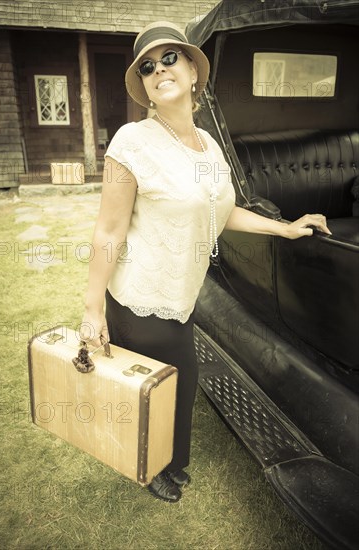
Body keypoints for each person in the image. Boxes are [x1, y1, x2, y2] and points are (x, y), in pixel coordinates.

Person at [80, 21, 331, 503]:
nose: (159, 70)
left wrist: (285, 227)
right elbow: (108, 231)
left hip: (182, 294)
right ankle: (152, 467)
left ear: (194, 70)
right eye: (148, 67)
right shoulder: (131, 143)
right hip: (139, 297)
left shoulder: (209, 147)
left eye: (170, 58)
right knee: (155, 390)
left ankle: (167, 463)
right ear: (146, 88)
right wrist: (92, 310)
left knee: (182, 385)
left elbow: (222, 209)